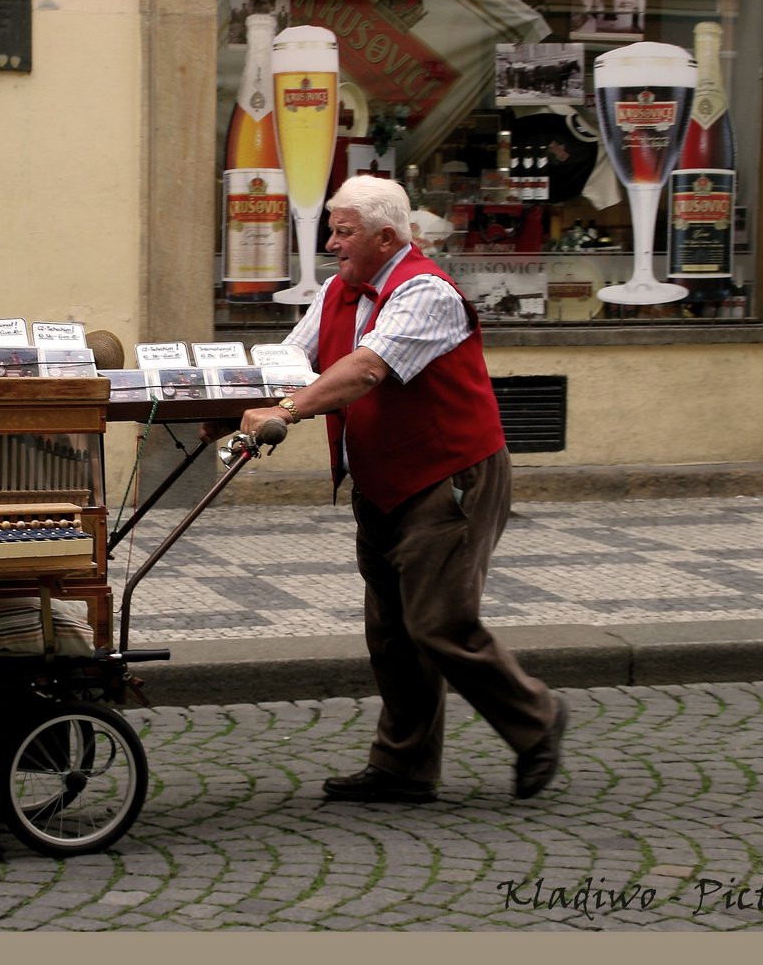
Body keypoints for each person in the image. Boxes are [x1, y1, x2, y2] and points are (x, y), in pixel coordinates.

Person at [206, 174, 567, 803]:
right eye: (333, 232)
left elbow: (368, 367)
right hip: (380, 479)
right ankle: (403, 766)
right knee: (393, 631)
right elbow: (289, 361)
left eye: (344, 233)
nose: (333, 244)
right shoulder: (336, 292)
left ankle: (536, 718)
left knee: (438, 621)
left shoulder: (426, 291)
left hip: (447, 476)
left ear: (387, 236)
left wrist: (286, 412)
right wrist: (209, 397)